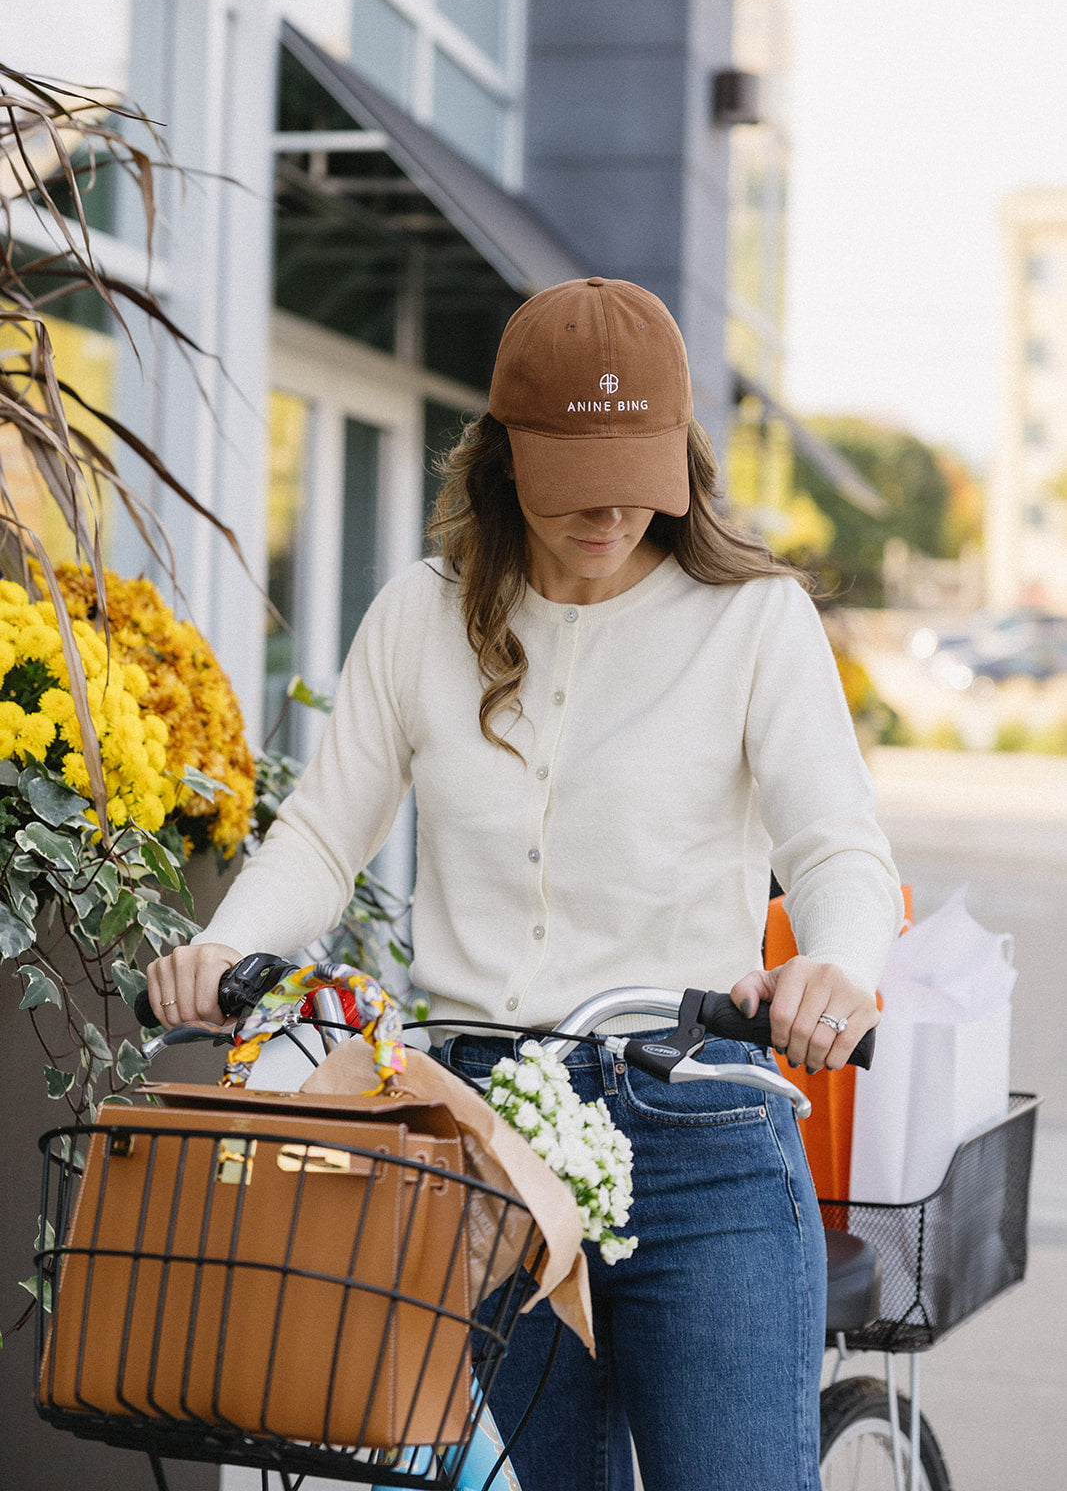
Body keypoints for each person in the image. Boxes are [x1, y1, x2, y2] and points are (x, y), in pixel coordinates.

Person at [148, 277, 903, 1491]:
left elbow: (837, 850)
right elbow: (317, 842)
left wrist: (838, 964)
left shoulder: (750, 620)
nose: (609, 508)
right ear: (501, 458)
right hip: (483, 1141)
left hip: (695, 1122)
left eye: (636, 470)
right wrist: (220, 951)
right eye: (572, 478)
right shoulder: (419, 617)